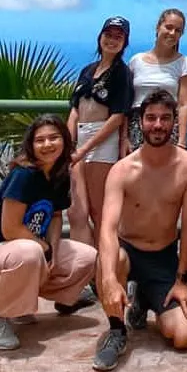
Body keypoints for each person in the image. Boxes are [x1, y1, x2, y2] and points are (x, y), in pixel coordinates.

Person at [0, 115, 97, 351]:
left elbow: (54, 216)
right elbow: (10, 229)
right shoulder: (24, 175)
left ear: (64, 140)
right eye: (40, 140)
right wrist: (43, 248)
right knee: (30, 250)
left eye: (54, 138)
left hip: (26, 253)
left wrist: (52, 249)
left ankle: (19, 305)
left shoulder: (59, 174)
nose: (47, 145)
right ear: (30, 145)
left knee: (87, 257)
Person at [91, 89, 187, 372]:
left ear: (174, 124)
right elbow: (107, 228)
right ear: (140, 122)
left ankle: (142, 297)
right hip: (127, 250)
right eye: (151, 118)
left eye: (165, 118)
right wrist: (108, 279)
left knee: (185, 336)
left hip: (163, 257)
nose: (157, 125)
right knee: (112, 260)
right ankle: (117, 331)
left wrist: (182, 279)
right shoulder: (123, 170)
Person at [66, 16, 133, 248]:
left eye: (118, 37)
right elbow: (75, 109)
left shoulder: (121, 74)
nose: (112, 40)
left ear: (124, 42)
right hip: (80, 137)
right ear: (100, 36)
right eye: (108, 34)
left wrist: (85, 148)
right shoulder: (88, 70)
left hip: (102, 141)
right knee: (77, 212)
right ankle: (81, 268)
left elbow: (117, 116)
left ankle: (102, 269)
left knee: (98, 211)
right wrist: (69, 142)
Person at [125, 8, 187, 156]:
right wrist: (124, 137)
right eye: (168, 27)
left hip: (167, 125)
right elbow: (127, 100)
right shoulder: (136, 61)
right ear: (158, 27)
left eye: (178, 30)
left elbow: (183, 104)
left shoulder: (184, 63)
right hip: (137, 125)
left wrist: (182, 141)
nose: (172, 33)